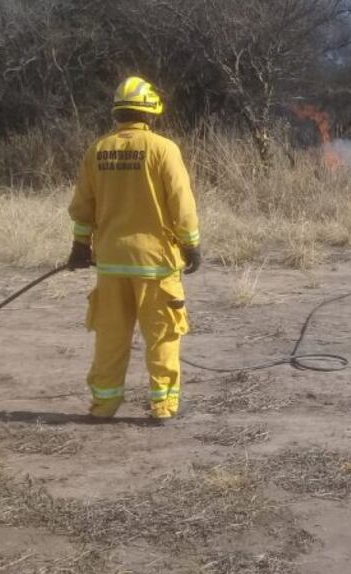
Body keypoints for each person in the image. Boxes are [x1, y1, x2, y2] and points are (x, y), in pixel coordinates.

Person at [67, 76, 201, 421]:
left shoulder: (98, 150)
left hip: (111, 263)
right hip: (154, 264)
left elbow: (83, 206)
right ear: (150, 113)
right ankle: (164, 407)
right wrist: (191, 244)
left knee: (110, 338)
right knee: (162, 337)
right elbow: (181, 205)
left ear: (118, 112)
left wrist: (80, 246)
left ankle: (103, 406)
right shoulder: (163, 149)